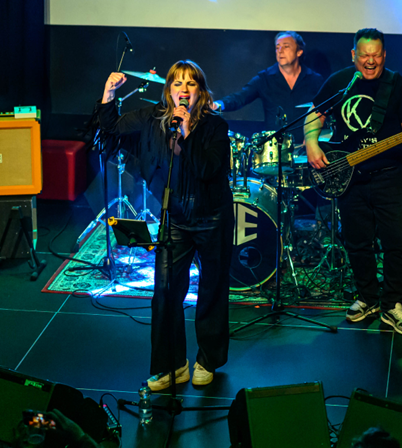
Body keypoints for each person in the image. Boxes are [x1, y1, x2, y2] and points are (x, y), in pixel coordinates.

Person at [99, 60, 232, 390]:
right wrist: (108, 94)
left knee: (212, 290)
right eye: (177, 83)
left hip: (213, 217)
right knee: (165, 291)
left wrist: (187, 132)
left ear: (201, 92)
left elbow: (207, 169)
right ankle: (172, 364)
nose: (183, 89)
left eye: (191, 84)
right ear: (168, 90)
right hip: (175, 219)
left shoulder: (215, 126)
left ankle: (208, 359)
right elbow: (112, 128)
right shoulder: (152, 118)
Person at [305, 29, 402, 335]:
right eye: (365, 55)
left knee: (397, 242)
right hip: (349, 176)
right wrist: (311, 143)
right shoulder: (340, 82)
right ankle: (367, 297)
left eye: (376, 55)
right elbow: (314, 114)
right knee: (356, 242)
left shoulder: (398, 85)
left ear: (384, 55)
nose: (371, 61)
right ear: (354, 55)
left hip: (389, 176)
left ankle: (392, 304)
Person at [212, 31, 324, 143]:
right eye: (277, 47)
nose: (280, 51)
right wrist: (218, 104)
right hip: (275, 147)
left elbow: (325, 110)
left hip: (307, 146)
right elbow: (241, 97)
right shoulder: (264, 78)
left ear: (299, 52)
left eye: (286, 46)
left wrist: (313, 138)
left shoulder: (315, 80)